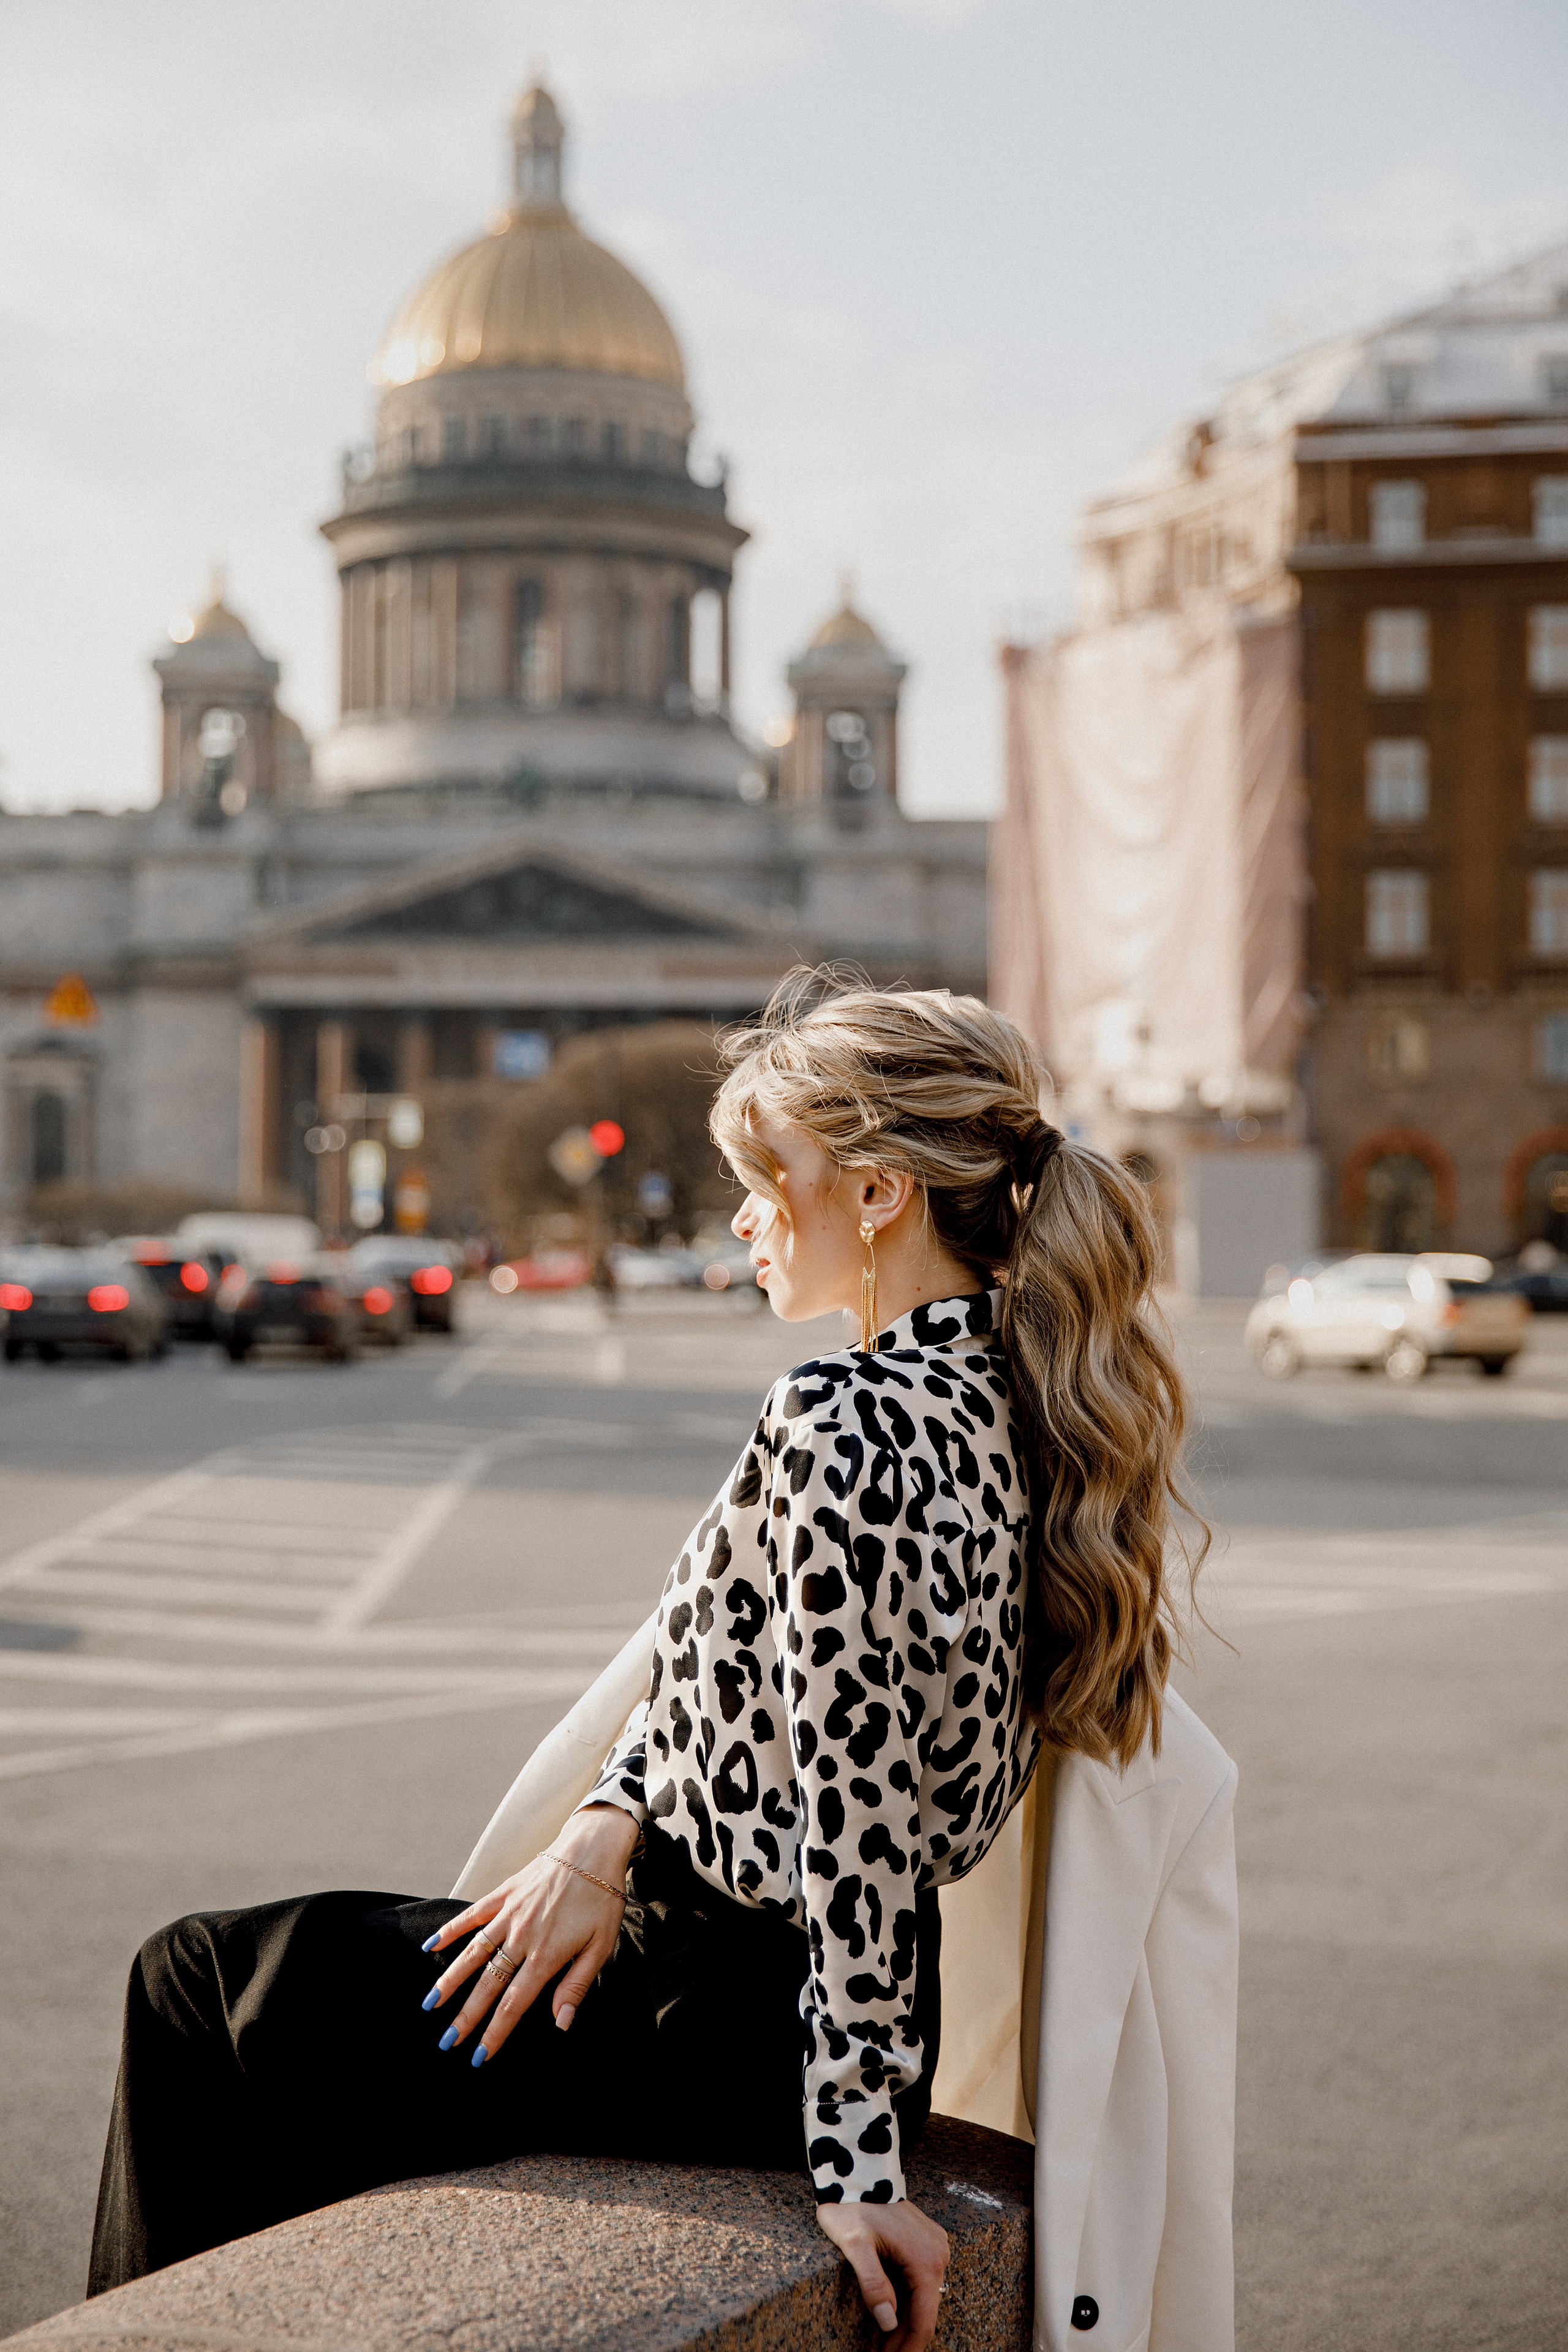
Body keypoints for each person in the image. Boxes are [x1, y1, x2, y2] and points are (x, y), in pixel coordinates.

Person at [88, 971, 1212, 2352]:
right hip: (746, 1981)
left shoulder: (843, 1423)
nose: (742, 1217)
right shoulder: (1006, 1399)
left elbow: (858, 1815)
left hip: (724, 2009)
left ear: (876, 1195)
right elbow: (730, 1684)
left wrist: (857, 2162)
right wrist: (602, 1833)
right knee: (284, 1993)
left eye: (765, 1178)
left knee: (197, 1981)